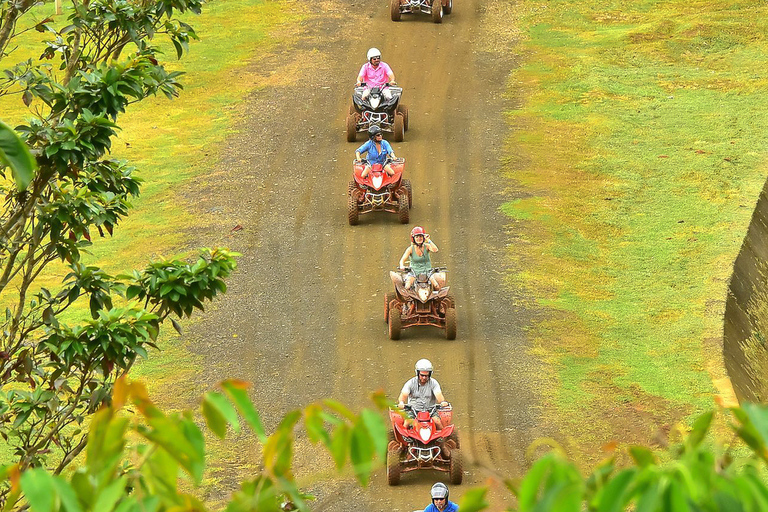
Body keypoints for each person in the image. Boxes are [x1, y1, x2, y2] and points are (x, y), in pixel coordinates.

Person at [398, 359, 448, 430]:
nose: (424, 377)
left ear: (430, 374)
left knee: (437, 422)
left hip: (430, 411)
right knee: (407, 422)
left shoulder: (434, 383)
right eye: (422, 375)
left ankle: (443, 439)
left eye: (426, 375)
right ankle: (404, 439)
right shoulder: (410, 383)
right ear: (417, 373)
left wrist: (442, 402)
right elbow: (403, 395)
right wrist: (401, 402)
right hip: (413, 411)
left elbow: (439, 395)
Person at [398, 226, 443, 290]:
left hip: (427, 271)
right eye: (417, 237)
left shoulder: (427, 246)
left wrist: (428, 240)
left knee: (436, 286)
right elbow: (402, 260)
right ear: (413, 238)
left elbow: (435, 250)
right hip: (414, 272)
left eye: (421, 236)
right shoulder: (410, 249)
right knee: (407, 287)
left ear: (423, 237)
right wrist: (401, 265)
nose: (419, 238)